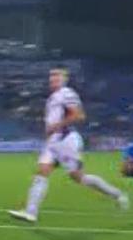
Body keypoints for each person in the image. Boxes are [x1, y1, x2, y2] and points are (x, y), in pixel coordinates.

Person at [8, 68, 128, 223]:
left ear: (65, 79)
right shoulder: (53, 97)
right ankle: (31, 213)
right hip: (53, 141)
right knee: (41, 172)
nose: (53, 78)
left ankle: (117, 194)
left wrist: (57, 125)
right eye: (51, 76)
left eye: (57, 76)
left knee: (79, 177)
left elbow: (78, 115)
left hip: (66, 140)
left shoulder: (67, 93)